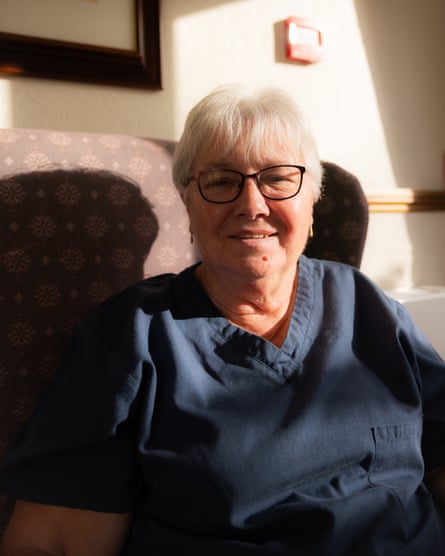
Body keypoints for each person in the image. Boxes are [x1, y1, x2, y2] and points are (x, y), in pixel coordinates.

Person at [0, 84, 445, 556]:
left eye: (277, 178)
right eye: (219, 180)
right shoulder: (131, 337)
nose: (251, 204)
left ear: (311, 201)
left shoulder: (369, 307)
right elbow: (56, 539)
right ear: (189, 205)